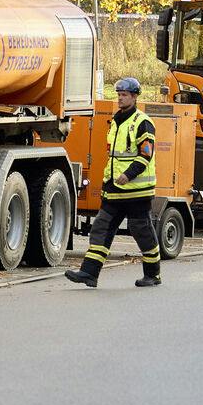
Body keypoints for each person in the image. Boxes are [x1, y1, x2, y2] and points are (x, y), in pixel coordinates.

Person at [65, 76, 162, 289]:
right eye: (118, 95)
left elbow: (145, 154)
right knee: (100, 228)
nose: (120, 99)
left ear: (134, 97)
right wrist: (108, 183)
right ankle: (89, 273)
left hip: (136, 190)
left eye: (124, 95)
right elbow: (113, 157)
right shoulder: (116, 121)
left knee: (141, 231)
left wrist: (129, 174)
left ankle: (153, 274)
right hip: (114, 190)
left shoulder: (142, 122)